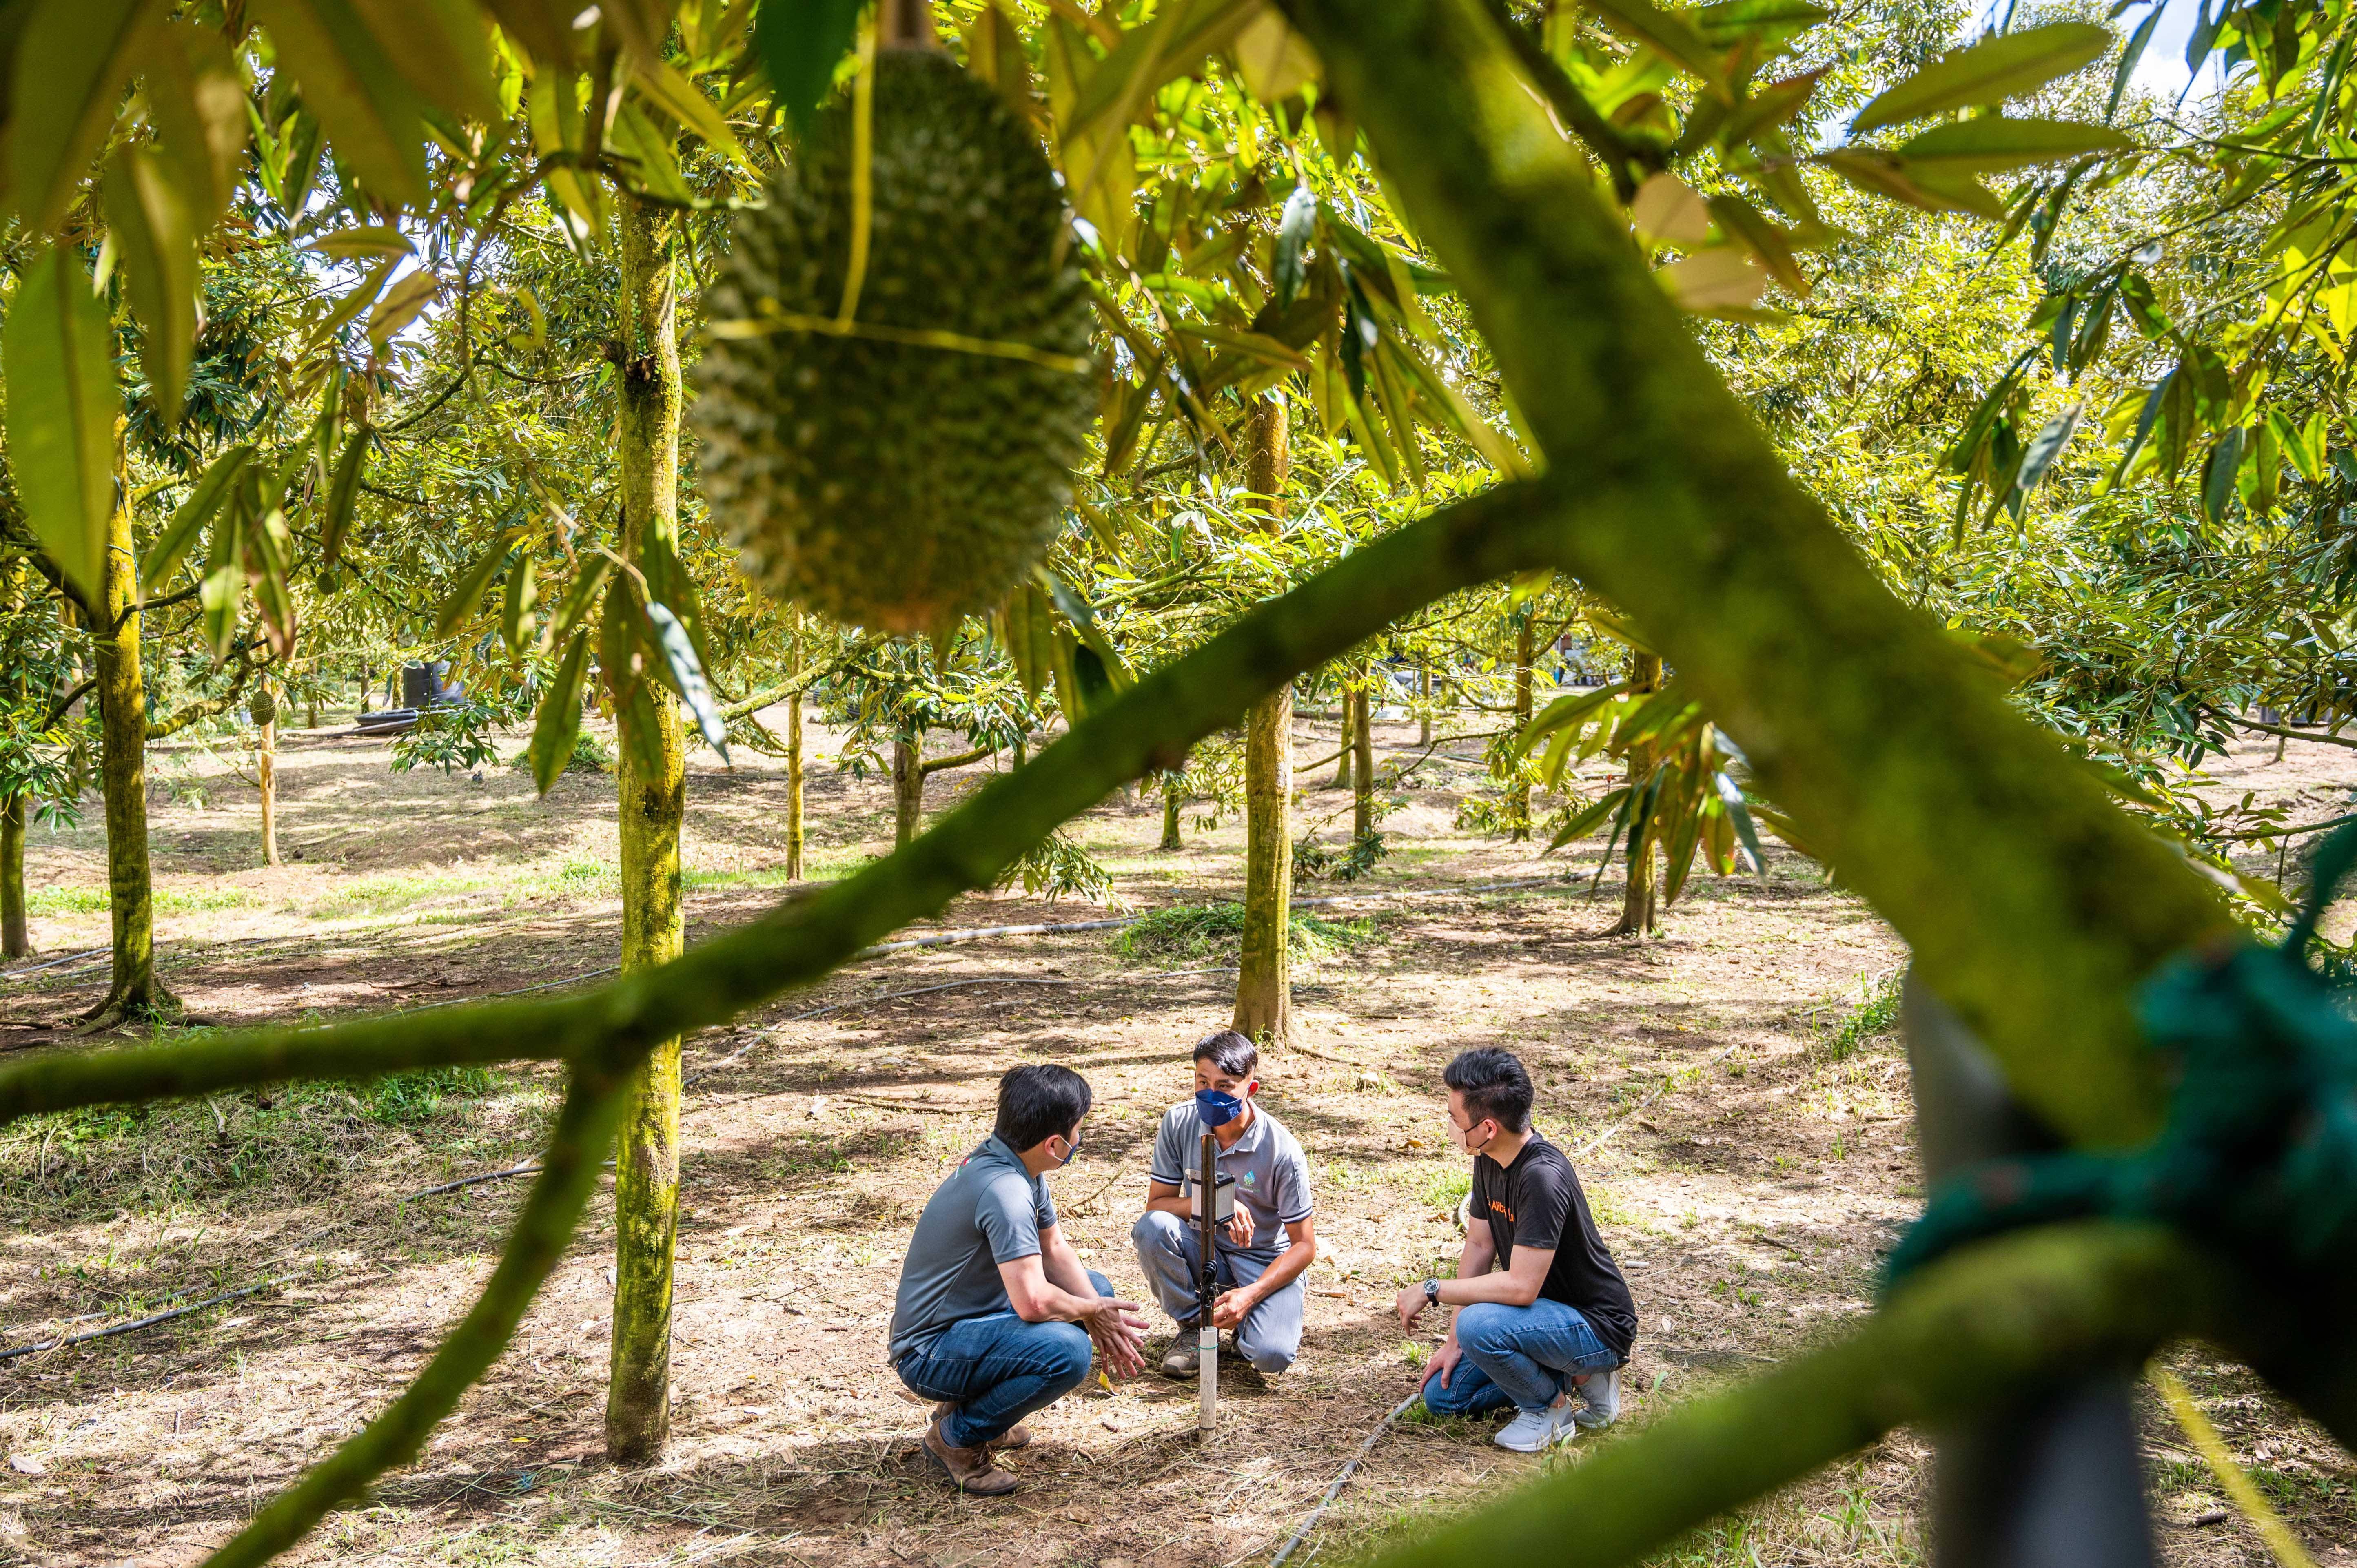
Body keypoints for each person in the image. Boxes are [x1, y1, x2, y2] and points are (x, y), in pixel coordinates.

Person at [889, 1063, 1150, 1495]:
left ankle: (976, 1412)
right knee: (1067, 1352)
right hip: (928, 1353)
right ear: (1054, 1143)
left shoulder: (1018, 1165)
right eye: (1078, 1130)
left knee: (1095, 1290)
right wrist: (1088, 1315)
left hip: (972, 1321)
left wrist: (1099, 1313)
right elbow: (1032, 1302)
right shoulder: (1005, 1191)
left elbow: (1054, 1250)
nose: (1080, 1139)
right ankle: (957, 1436)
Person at [1395, 1046, 1637, 1451]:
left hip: (1595, 1325)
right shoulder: (1488, 1157)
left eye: (1455, 1118)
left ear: (1487, 1127)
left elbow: (1521, 1286)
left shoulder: (1542, 1176)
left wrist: (1432, 1289)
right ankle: (1563, 1374)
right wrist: (1453, 1341)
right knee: (1443, 1396)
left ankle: (1550, 1408)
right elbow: (1478, 1244)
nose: (1450, 1126)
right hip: (1534, 1318)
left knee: (1479, 1325)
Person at [1132, 1029, 1318, 1376]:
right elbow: (1156, 1207)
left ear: (1251, 1088)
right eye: (1203, 1081)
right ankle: (1196, 1327)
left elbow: (1305, 1246)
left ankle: (1245, 1318)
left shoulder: (1282, 1151)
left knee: (1270, 1355)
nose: (1210, 1094)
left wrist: (1251, 1295)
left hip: (1263, 1260)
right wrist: (1216, 1202)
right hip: (1202, 1248)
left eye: (1225, 1086)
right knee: (1152, 1229)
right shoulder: (1179, 1122)